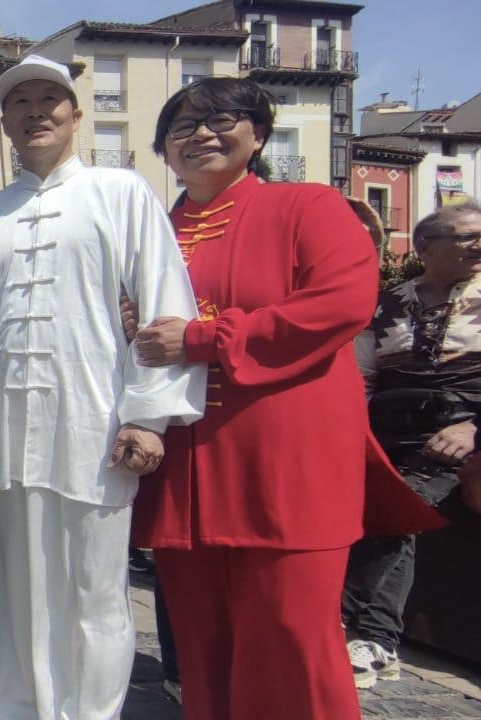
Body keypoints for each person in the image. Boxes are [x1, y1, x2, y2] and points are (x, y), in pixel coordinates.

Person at [132, 76, 441, 720]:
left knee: (292, 633)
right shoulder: (154, 230)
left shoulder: (310, 206)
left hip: (286, 457)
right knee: (202, 641)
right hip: (185, 464)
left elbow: (340, 305)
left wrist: (201, 337)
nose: (200, 135)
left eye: (221, 120)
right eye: (182, 127)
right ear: (163, 149)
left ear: (259, 135)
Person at [0, 55, 204, 720]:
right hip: (2, 433)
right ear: (4, 121)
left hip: (92, 424)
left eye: (50, 99)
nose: (35, 111)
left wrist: (148, 417)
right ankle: (15, 709)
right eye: (20, 102)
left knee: (95, 591)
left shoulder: (120, 192)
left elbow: (163, 302)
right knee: (13, 588)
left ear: (75, 114)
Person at [343, 202, 481, 688]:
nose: (479, 244)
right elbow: (361, 377)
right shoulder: (385, 304)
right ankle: (373, 639)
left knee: (397, 510)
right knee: (364, 506)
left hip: (460, 431)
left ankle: (368, 633)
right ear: (424, 246)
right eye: (465, 236)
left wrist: (474, 429)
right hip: (388, 433)